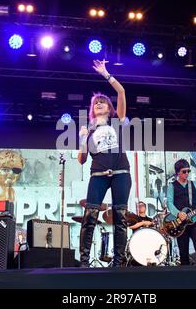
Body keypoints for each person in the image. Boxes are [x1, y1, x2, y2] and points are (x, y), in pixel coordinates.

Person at [78, 59, 131, 267]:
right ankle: (83, 262)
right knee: (90, 215)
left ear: (109, 108)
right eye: (95, 103)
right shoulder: (89, 130)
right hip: (98, 174)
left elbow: (121, 92)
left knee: (120, 217)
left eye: (102, 101)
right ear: (93, 109)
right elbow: (82, 159)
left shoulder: (117, 120)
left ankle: (118, 263)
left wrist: (105, 73)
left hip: (121, 172)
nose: (98, 103)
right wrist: (82, 139)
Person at [166, 159, 196, 265]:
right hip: (180, 224)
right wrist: (178, 213)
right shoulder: (172, 186)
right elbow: (169, 203)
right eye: (184, 171)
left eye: (188, 171)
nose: (187, 173)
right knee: (183, 252)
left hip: (195, 220)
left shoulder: (194, 184)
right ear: (178, 172)